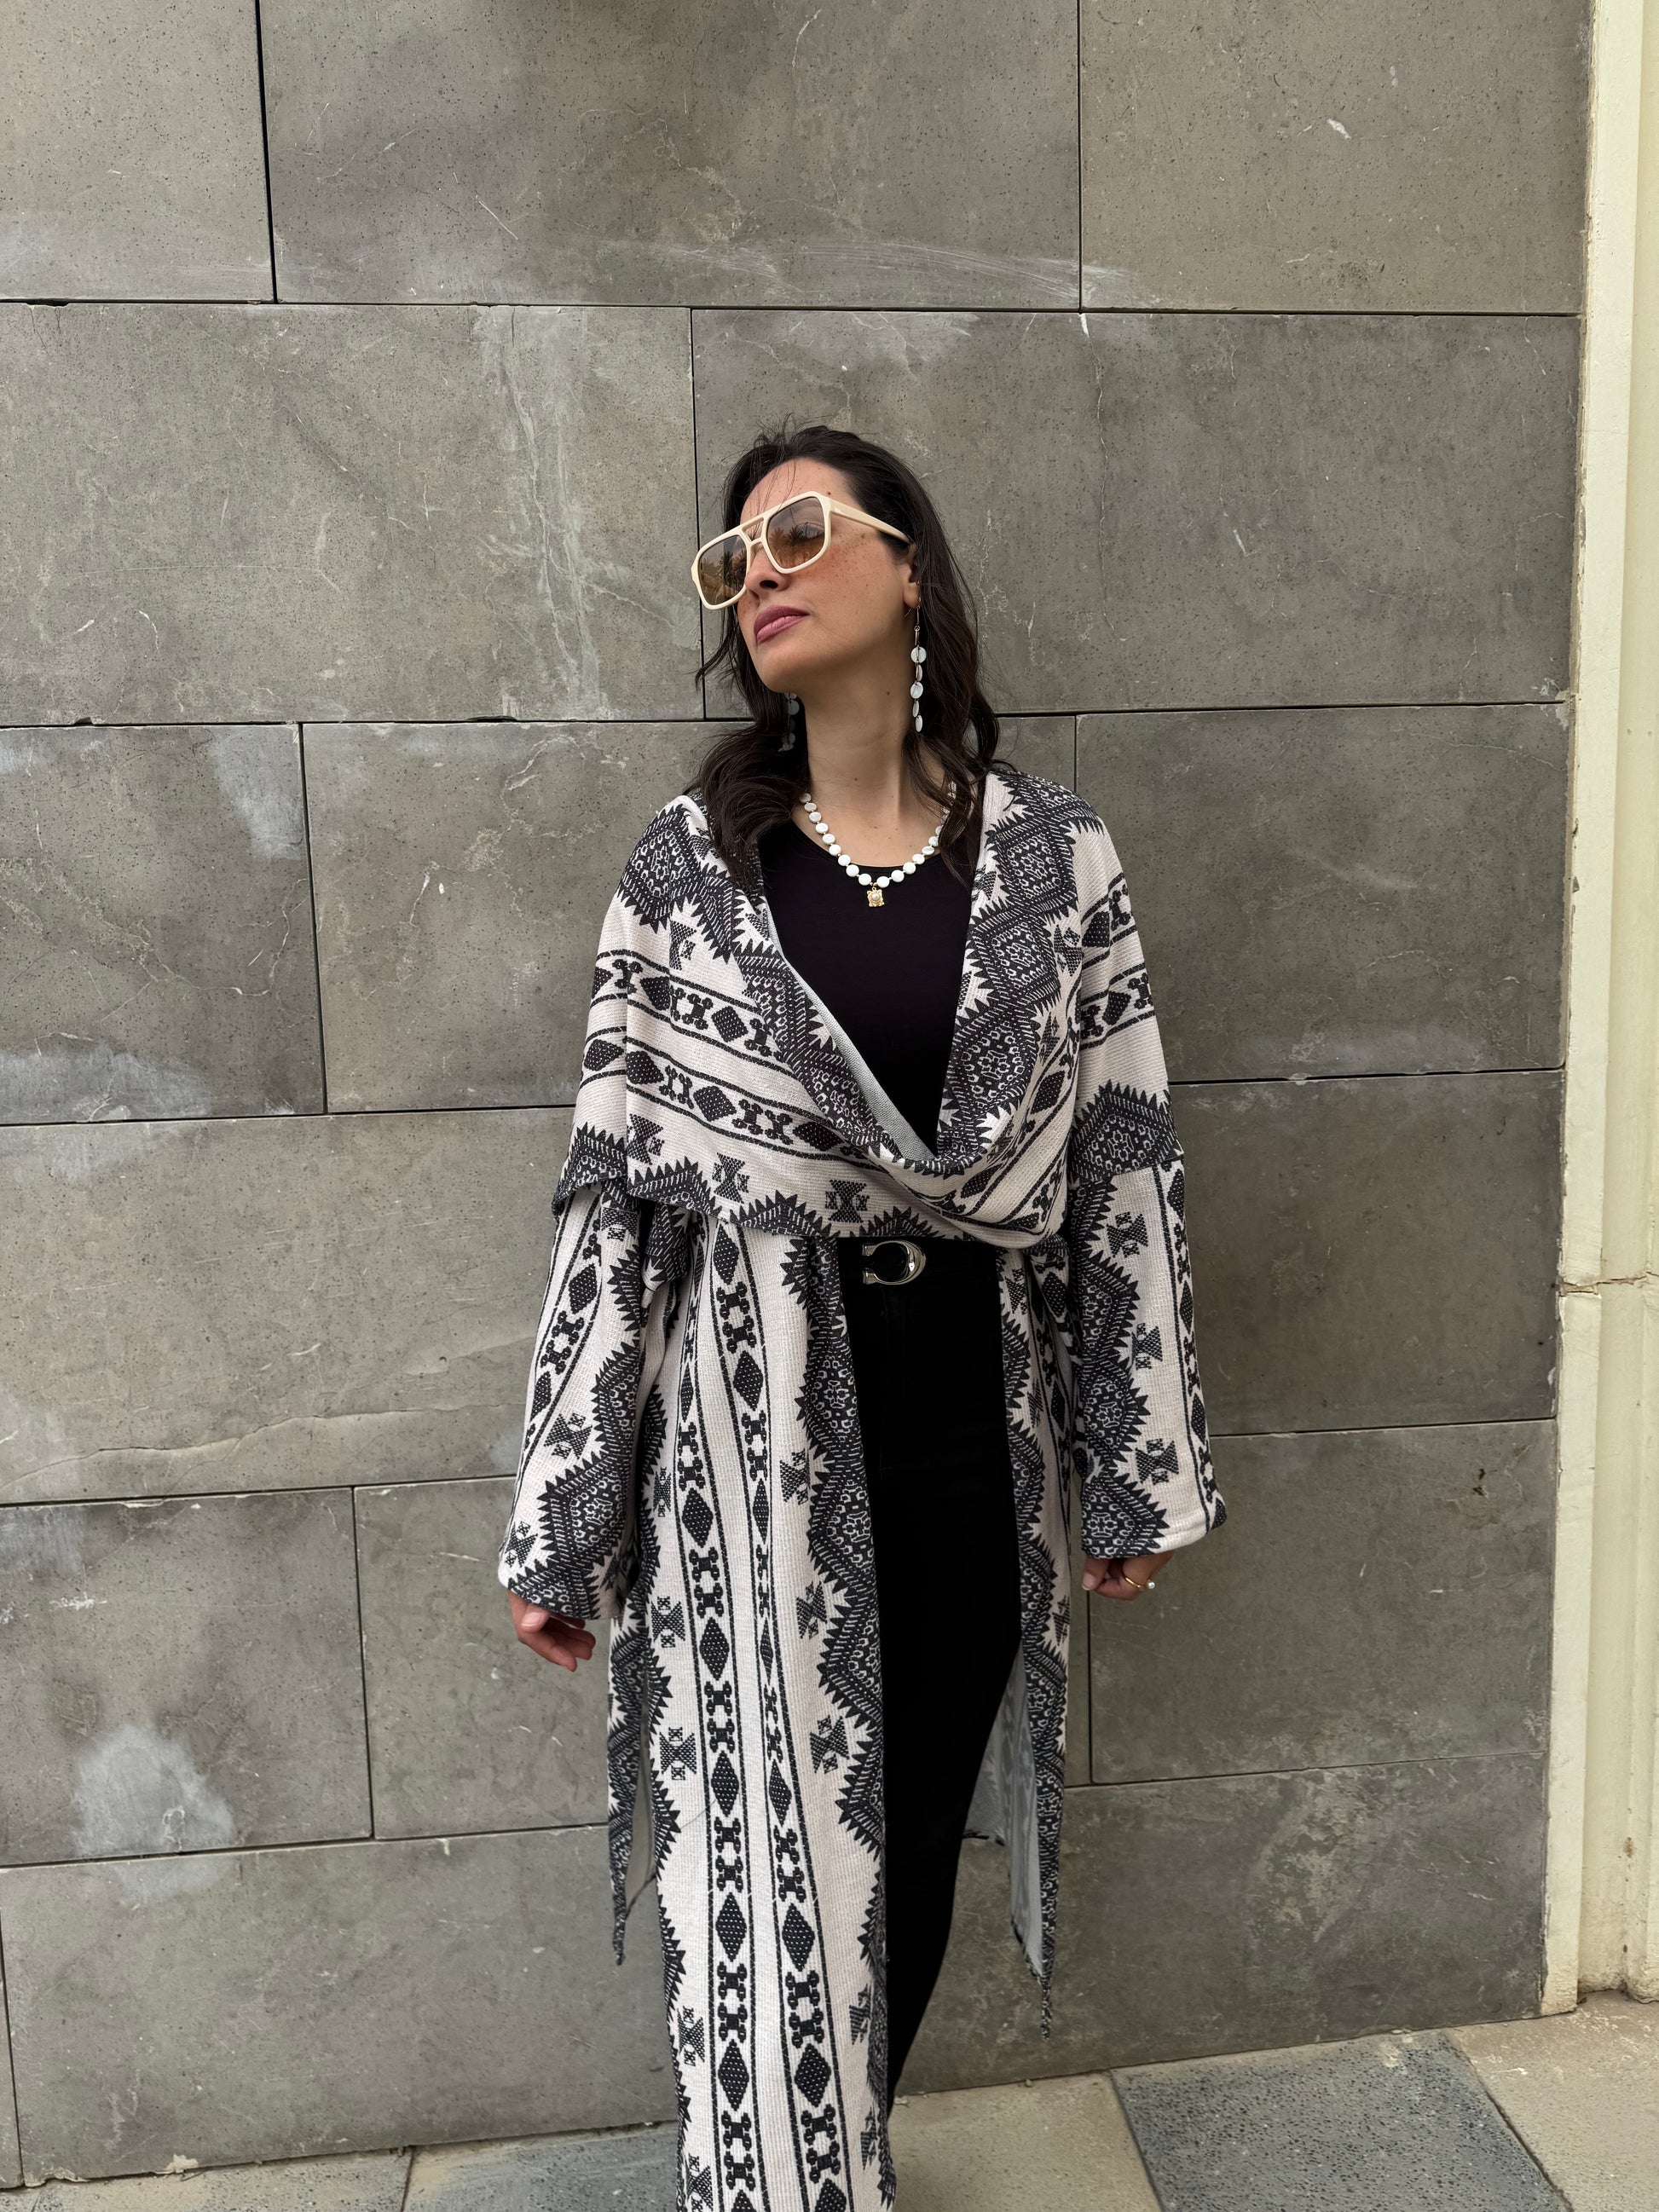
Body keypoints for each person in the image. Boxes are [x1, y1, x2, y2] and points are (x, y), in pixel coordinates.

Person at [496, 419, 1226, 2212]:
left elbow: (1120, 1154)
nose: (761, 574)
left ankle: (832, 2155)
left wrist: (1135, 1462)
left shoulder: (1053, 856)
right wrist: (566, 1514)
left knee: (895, 1853)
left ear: (908, 568)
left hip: (970, 1423)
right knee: (766, 1858)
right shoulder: (690, 872)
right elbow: (616, 1201)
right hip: (746, 1443)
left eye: (802, 532)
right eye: (733, 558)